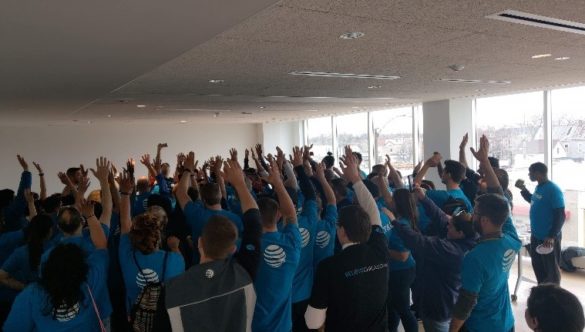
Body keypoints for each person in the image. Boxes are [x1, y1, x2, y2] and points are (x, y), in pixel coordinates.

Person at [164, 152, 262, 332]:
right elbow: (255, 220)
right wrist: (239, 183)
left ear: (200, 243)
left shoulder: (175, 287)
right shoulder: (245, 272)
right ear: (233, 248)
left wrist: (187, 170)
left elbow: (180, 192)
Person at [304, 146, 391, 332]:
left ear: (341, 231)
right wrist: (356, 179)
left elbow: (313, 322)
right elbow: (373, 212)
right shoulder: (380, 251)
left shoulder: (329, 267)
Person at [449, 135, 521, 332]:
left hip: (481, 327)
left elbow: (466, 303)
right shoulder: (511, 239)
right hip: (506, 323)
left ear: (485, 220)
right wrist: (484, 161)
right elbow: (500, 196)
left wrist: (453, 329)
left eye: (475, 213)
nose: (472, 215)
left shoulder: (475, 258)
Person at [3, 200, 110, 332]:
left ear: (58, 228)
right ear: (82, 223)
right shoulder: (92, 268)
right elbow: (102, 245)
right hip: (98, 312)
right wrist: (91, 215)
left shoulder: (46, 258)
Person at [391, 187, 476, 332]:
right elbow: (441, 218)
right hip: (450, 302)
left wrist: (395, 222)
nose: (447, 226)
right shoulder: (469, 236)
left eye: (451, 226)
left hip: (439, 308)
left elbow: (419, 242)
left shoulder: (452, 251)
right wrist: (424, 198)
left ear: (460, 233)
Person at [117, 172, 185, 313]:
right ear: (159, 233)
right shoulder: (173, 259)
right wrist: (175, 247)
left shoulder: (126, 256)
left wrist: (124, 194)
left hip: (135, 317)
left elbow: (124, 223)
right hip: (165, 319)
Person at [252, 158, 301, 332]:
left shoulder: (247, 248)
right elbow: (291, 215)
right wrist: (278, 184)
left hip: (254, 325)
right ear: (278, 215)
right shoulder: (292, 244)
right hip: (283, 326)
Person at [517, 162, 565, 285]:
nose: (529, 175)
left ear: (538, 173)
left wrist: (551, 236)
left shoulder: (553, 190)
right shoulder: (539, 187)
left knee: (551, 272)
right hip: (536, 236)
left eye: (530, 172)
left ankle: (554, 297)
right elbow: (534, 200)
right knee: (538, 267)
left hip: (548, 238)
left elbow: (560, 215)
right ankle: (543, 294)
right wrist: (523, 190)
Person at [384, 189, 418, 332]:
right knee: (393, 308)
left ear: (398, 203)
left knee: (403, 310)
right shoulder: (407, 218)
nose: (390, 201)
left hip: (401, 272)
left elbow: (402, 255)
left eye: (393, 199)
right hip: (399, 271)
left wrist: (380, 250)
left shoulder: (402, 223)